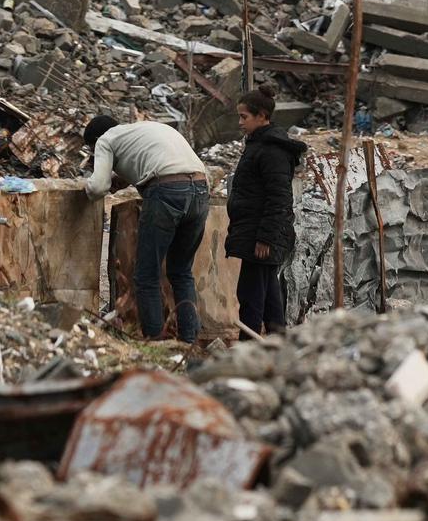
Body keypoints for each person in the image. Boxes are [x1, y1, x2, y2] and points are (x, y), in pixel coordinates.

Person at [81, 112, 209, 344]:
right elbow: (160, 162)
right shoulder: (145, 130)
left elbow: (98, 187)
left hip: (167, 193)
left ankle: (156, 344)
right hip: (200, 189)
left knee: (146, 275)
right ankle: (189, 342)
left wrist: (85, 187)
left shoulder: (104, 140)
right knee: (181, 271)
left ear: (94, 142)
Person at [226, 89, 304, 335]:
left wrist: (265, 238)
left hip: (260, 235)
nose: (240, 123)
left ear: (261, 116)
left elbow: (279, 197)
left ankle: (248, 352)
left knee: (250, 297)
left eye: (244, 117)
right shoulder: (260, 145)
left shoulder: (271, 150)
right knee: (269, 297)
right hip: (255, 231)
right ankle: (275, 346)